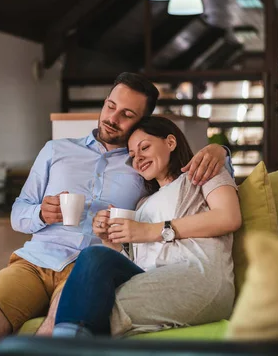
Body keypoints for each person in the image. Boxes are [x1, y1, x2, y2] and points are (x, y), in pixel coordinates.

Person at [0, 73, 232, 356]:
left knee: (52, 330)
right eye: (110, 106)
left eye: (126, 114)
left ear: (141, 121)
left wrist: (221, 150)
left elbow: (186, 179)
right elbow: (18, 213)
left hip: (86, 270)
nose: (112, 118)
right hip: (35, 261)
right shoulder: (56, 150)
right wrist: (41, 213)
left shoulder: (141, 166)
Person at [50, 116, 241, 338]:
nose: (138, 158)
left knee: (89, 305)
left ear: (170, 142)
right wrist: (109, 239)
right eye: (132, 156)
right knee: (94, 256)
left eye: (145, 148)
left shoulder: (200, 174)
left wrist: (151, 231)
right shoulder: (142, 204)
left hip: (198, 275)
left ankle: (63, 344)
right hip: (151, 277)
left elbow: (229, 217)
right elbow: (137, 262)